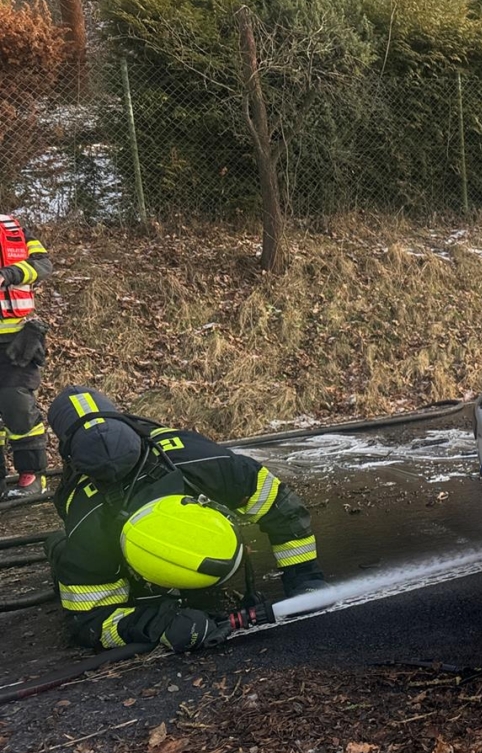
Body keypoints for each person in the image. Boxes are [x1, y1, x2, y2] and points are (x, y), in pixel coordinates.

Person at [45, 386, 325, 651]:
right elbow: (90, 621)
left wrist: (303, 577)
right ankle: (56, 546)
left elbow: (279, 506)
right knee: (68, 556)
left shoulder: (202, 461)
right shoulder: (88, 522)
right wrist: (160, 625)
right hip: (120, 563)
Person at [0, 213, 50, 500]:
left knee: (15, 402)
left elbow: (43, 265)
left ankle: (32, 476)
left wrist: (9, 274)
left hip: (17, 339)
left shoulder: (15, 229)